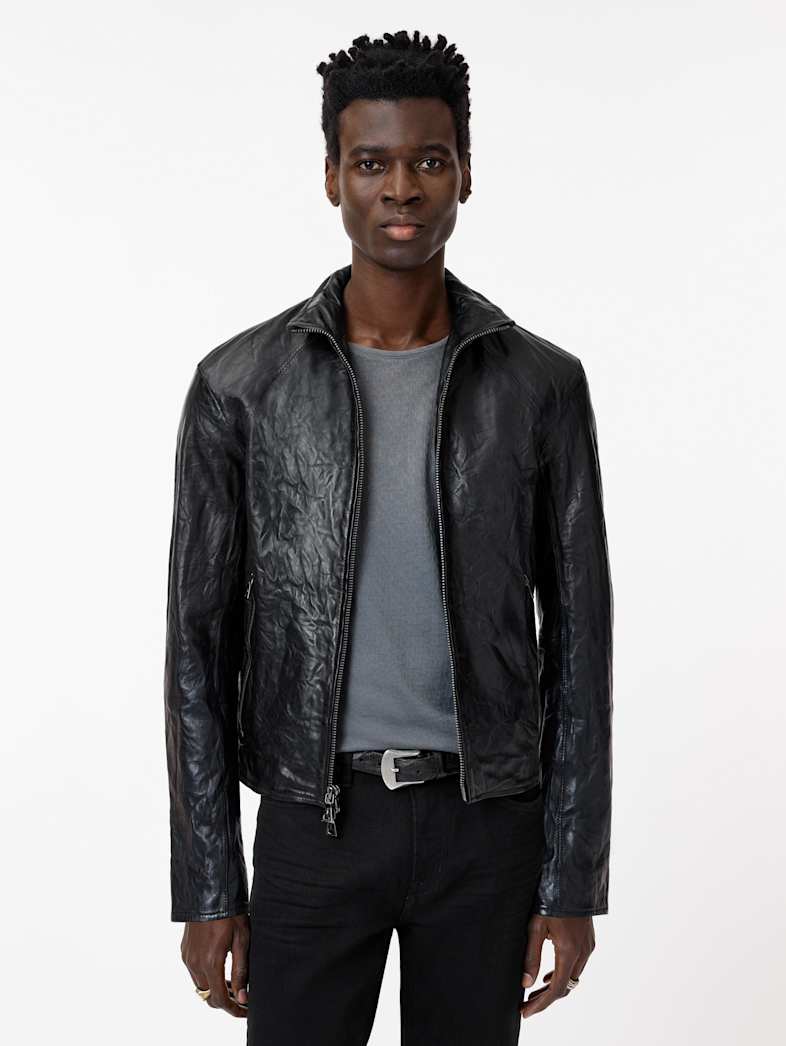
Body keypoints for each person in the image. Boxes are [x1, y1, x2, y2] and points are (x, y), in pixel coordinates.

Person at [163, 28, 614, 1046]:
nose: (401, 188)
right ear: (332, 176)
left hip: (487, 828)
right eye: (372, 163)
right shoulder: (240, 387)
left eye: (429, 160)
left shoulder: (541, 386)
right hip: (313, 824)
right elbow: (196, 647)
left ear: (466, 172)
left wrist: (571, 874)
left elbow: (581, 640)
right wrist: (208, 880)